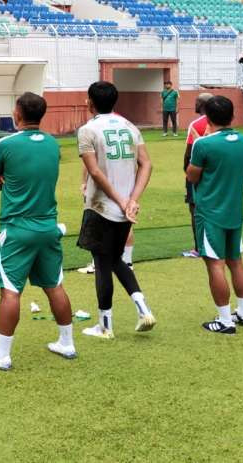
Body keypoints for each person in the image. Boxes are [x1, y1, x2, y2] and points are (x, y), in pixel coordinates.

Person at [0, 92, 76, 370]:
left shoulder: (5, 145)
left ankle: (1, 355)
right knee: (54, 285)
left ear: (17, 113)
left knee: (9, 290)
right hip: (48, 226)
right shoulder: (53, 144)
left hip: (17, 228)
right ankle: (67, 343)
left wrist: (7, 180)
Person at [76, 82, 156, 338]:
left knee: (102, 262)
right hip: (124, 209)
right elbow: (146, 165)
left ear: (90, 101)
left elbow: (94, 171)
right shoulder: (130, 126)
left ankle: (105, 326)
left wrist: (122, 200)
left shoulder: (88, 130)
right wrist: (132, 199)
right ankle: (143, 308)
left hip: (101, 206)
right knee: (115, 260)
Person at [185, 96, 243, 334]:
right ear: (232, 116)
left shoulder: (203, 144)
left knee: (215, 265)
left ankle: (225, 320)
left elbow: (192, 175)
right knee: (236, 261)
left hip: (210, 211)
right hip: (235, 210)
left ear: (208, 118)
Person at [181, 92, 213, 258]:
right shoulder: (218, 122)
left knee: (195, 208)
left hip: (198, 170)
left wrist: (187, 170)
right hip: (214, 172)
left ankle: (198, 247)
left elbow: (190, 150)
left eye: (196, 101)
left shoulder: (197, 123)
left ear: (201, 105)